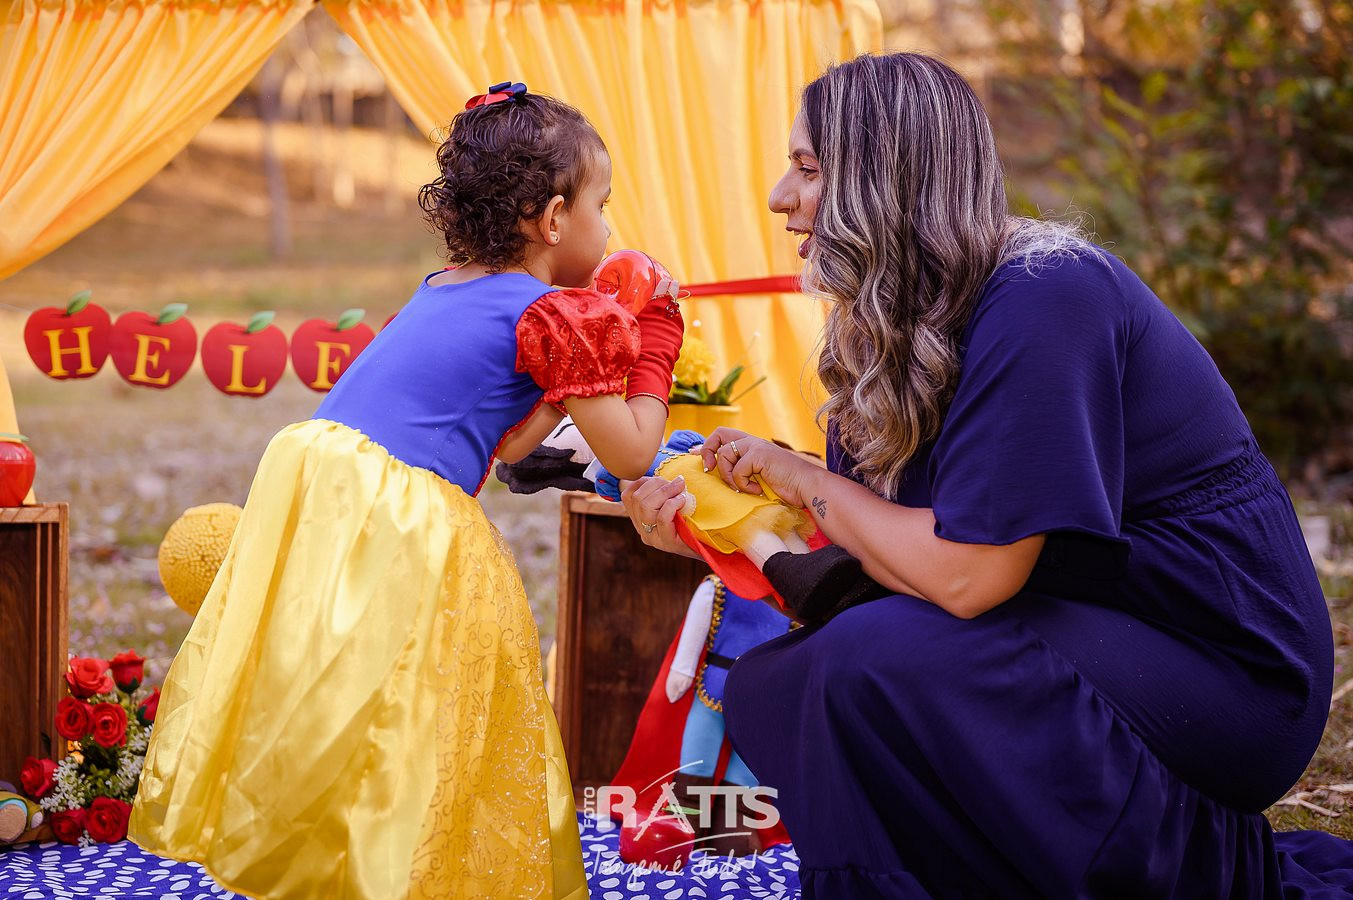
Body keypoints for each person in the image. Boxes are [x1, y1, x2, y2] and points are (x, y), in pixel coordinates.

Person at [620, 52, 1353, 896]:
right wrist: (709, 531)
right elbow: (874, 576)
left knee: (862, 660)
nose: (780, 197)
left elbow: (967, 577)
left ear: (889, 178)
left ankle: (1201, 870)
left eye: (808, 168)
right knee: (775, 683)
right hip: (1068, 627)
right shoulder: (883, 335)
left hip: (1215, 664)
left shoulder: (1046, 293)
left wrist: (802, 480)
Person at [129, 82, 683, 899]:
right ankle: (402, 869)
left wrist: (568, 386)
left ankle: (337, 861)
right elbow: (632, 453)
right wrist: (656, 341)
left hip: (331, 488)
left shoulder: (444, 286)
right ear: (554, 219)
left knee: (348, 700)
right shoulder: (555, 315)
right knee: (419, 711)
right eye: (602, 206)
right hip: (404, 517)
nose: (608, 228)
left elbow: (503, 442)